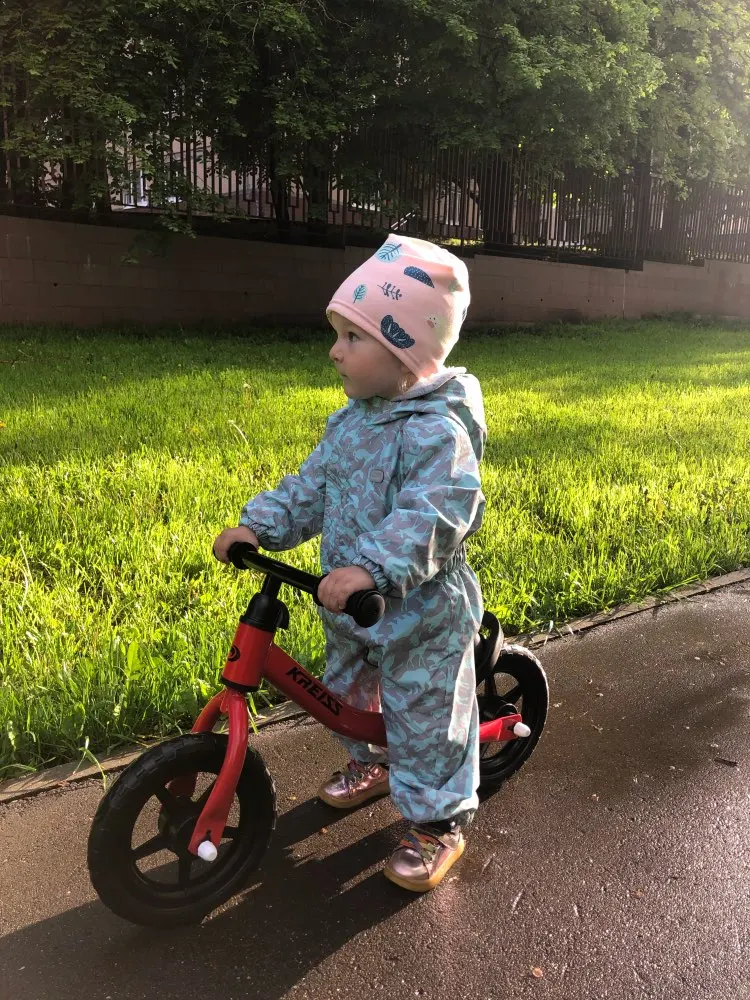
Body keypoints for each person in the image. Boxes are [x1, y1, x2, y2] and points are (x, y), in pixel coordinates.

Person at [213, 235, 486, 891]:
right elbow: (311, 488)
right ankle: (371, 763)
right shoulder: (350, 423)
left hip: (419, 613)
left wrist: (372, 567)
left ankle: (438, 821)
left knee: (424, 719)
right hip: (351, 606)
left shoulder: (437, 430)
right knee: (346, 696)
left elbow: (436, 511)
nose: (335, 350)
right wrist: (259, 526)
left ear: (405, 351)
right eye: (336, 334)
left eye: (353, 337)